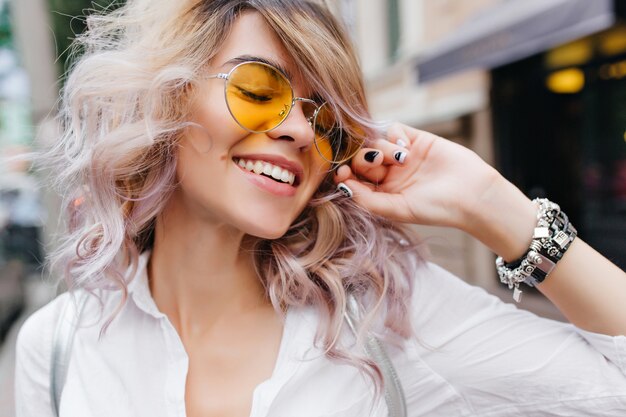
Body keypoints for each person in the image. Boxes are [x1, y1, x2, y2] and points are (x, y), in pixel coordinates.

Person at [14, 0, 626, 416]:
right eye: (258, 89)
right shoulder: (59, 345)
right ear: (165, 96)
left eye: (324, 119)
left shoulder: (389, 317)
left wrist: (492, 206)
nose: (300, 134)